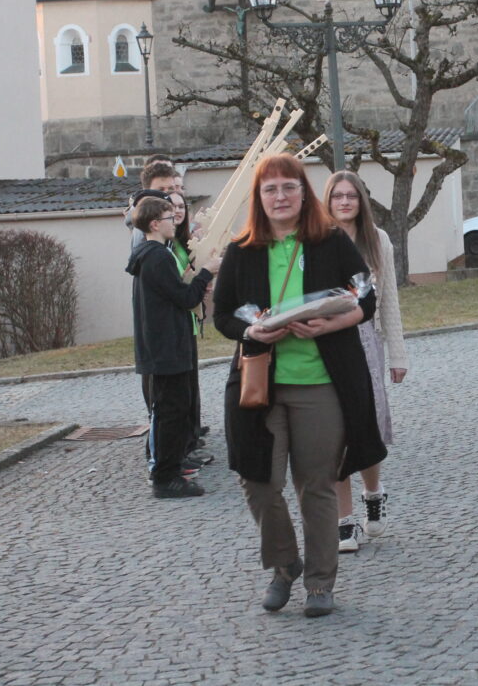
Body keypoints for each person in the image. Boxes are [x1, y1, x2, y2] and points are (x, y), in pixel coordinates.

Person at [213, 154, 384, 618]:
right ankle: (285, 564)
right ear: (259, 198)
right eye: (271, 190)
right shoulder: (243, 248)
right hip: (259, 386)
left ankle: (320, 582)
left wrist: (328, 326)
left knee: (317, 485)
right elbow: (223, 315)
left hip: (321, 383)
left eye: (289, 187)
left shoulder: (329, 242)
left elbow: (365, 298)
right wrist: (251, 331)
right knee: (258, 481)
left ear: (304, 193)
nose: (281, 196)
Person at [322, 171, 408, 553]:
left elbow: (388, 298)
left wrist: (397, 354)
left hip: (367, 341)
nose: (344, 202)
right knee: (334, 434)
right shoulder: (317, 240)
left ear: (361, 201)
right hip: (328, 343)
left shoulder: (379, 240)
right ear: (327, 201)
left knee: (367, 426)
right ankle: (344, 520)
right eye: (337, 196)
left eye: (350, 196)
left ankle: (374, 493)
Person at [126, 196, 219, 499]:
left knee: (176, 408)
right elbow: (186, 298)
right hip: (165, 348)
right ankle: (165, 477)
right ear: (154, 224)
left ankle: (173, 467)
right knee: (168, 411)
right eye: (169, 217)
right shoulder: (157, 257)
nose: (175, 221)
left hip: (165, 346)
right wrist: (207, 271)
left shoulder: (154, 255)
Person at [168, 191, 212, 463]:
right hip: (178, 326)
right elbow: (181, 287)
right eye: (171, 207)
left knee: (189, 390)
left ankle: (189, 442)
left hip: (189, 325)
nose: (178, 211)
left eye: (181, 206)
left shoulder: (182, 242)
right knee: (177, 397)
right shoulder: (167, 248)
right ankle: (181, 450)